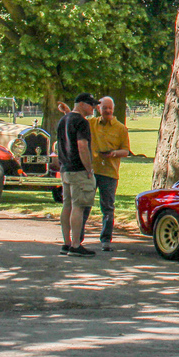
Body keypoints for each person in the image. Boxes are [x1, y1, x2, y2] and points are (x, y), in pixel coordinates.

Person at [58, 97, 133, 251]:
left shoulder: (120, 128)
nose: (107, 111)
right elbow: (74, 122)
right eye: (104, 108)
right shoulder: (90, 123)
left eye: (110, 108)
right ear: (99, 109)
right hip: (90, 171)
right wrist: (67, 111)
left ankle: (105, 239)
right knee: (83, 206)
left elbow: (126, 151)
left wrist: (113, 153)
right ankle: (78, 240)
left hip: (109, 171)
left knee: (107, 206)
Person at [56, 94, 98, 257]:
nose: (93, 108)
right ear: (81, 104)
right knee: (78, 206)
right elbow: (82, 146)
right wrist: (89, 168)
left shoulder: (64, 120)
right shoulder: (81, 122)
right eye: (91, 104)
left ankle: (66, 243)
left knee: (67, 206)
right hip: (78, 169)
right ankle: (75, 244)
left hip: (65, 168)